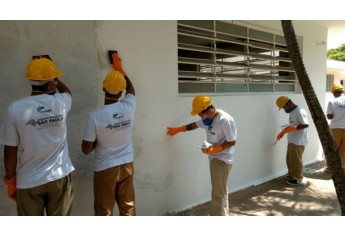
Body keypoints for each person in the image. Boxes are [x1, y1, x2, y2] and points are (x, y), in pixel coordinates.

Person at [0, 57, 75, 216]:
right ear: (49, 84)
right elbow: (68, 92)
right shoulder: (61, 102)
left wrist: (11, 180)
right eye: (53, 81)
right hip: (59, 177)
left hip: (29, 181)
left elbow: (9, 151)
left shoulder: (15, 108)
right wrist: (55, 77)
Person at [81, 52, 136, 216]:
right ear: (121, 93)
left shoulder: (95, 117)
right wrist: (120, 70)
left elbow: (86, 149)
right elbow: (132, 89)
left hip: (106, 168)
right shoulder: (129, 107)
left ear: (103, 88)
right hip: (127, 164)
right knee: (128, 206)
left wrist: (100, 139)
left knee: (104, 210)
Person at [167, 95, 237, 216]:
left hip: (222, 160)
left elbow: (232, 141)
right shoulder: (208, 118)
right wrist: (178, 129)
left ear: (209, 111)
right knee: (219, 191)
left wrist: (215, 149)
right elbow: (194, 125)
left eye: (201, 114)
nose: (201, 117)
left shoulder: (225, 120)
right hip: (215, 158)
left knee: (218, 193)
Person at [276, 96, 309, 186]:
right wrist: (284, 131)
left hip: (298, 140)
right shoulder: (292, 112)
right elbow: (293, 124)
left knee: (296, 160)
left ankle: (299, 179)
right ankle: (292, 175)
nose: (284, 109)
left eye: (284, 107)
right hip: (293, 139)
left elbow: (305, 125)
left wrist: (292, 128)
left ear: (289, 104)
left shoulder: (299, 111)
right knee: (290, 159)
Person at [326, 83, 345, 169]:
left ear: (334, 92)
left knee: (333, 148)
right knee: (343, 149)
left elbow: (329, 116)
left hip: (335, 127)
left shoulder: (332, 101)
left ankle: (331, 167)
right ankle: (342, 167)